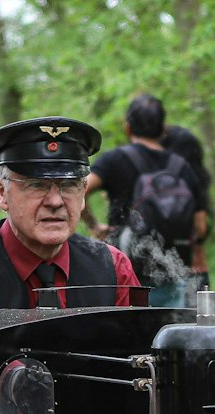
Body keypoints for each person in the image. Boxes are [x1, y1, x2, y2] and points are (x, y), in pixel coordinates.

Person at [0, 117, 140, 317]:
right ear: (2, 193)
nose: (55, 201)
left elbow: (139, 350)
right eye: (36, 185)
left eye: (68, 185)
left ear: (84, 193)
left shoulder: (113, 267)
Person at [83, 93, 207, 306]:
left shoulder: (114, 160)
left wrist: (94, 225)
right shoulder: (182, 167)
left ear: (128, 128)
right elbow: (201, 227)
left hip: (126, 272)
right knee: (169, 333)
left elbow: (78, 191)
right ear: (164, 129)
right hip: (173, 271)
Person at [161, 124, 213, 290]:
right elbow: (201, 228)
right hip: (196, 269)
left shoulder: (156, 184)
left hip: (162, 274)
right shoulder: (197, 183)